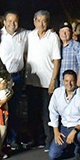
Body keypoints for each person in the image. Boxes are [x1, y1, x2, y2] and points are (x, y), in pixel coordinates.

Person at [25, 10, 61, 149]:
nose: (41, 23)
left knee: (48, 113)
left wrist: (53, 80)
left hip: (47, 82)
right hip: (32, 81)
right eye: (38, 21)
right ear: (34, 22)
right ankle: (36, 139)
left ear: (48, 22)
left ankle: (49, 140)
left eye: (44, 21)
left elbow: (56, 60)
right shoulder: (30, 35)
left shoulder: (53, 37)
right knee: (33, 112)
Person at [0, 11, 28, 150]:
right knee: (2, 108)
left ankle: (13, 138)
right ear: (4, 22)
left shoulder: (24, 34)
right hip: (3, 77)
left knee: (15, 108)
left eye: (15, 21)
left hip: (17, 76)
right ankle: (1, 139)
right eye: (9, 21)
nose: (12, 24)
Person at [47, 70, 80, 160]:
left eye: (72, 81)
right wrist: (56, 132)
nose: (69, 84)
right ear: (63, 81)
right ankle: (72, 149)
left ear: (76, 81)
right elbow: (53, 112)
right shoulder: (57, 93)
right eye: (66, 81)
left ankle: (79, 151)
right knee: (53, 155)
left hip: (79, 128)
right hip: (64, 127)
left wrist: (74, 132)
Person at [58, 21, 80, 87]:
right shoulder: (58, 46)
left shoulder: (77, 46)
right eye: (62, 31)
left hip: (74, 84)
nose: (64, 34)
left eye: (67, 31)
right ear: (59, 33)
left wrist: (78, 84)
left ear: (71, 33)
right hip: (62, 85)